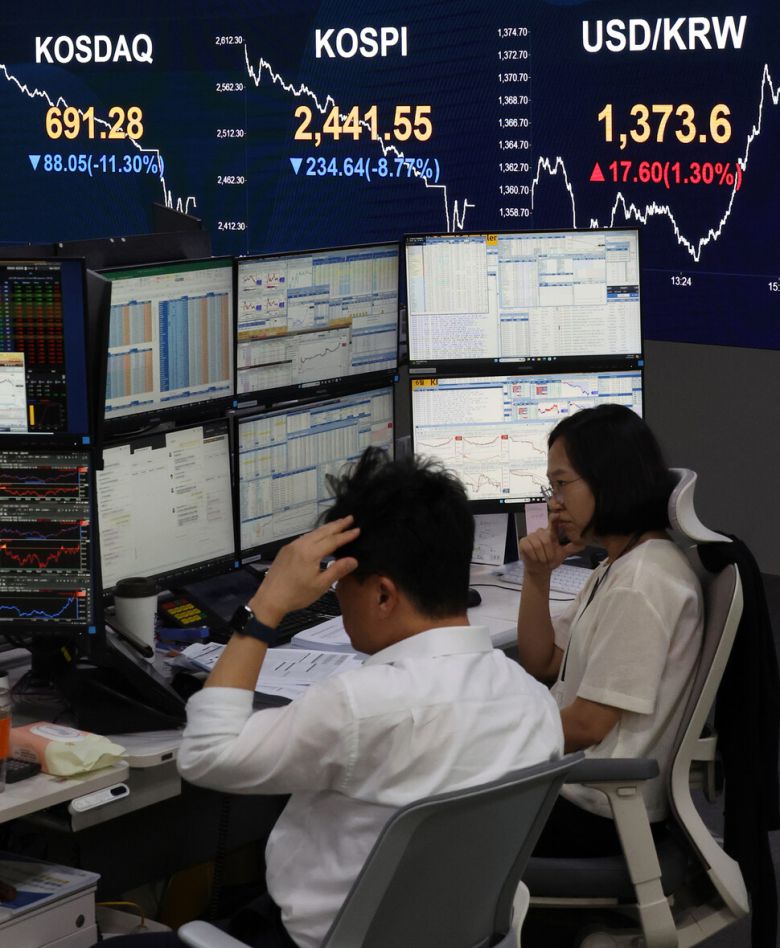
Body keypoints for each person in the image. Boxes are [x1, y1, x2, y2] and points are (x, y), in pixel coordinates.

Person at [105, 447, 563, 948]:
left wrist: (266, 605)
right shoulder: (534, 701)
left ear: (383, 595)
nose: (336, 598)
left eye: (340, 584)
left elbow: (206, 755)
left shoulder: (360, 705)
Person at [516, 404, 703, 857]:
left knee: (439, 819)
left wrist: (499, 743)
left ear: (609, 479)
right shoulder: (619, 566)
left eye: (562, 484)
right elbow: (543, 661)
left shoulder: (641, 583)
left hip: (598, 812)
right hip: (577, 786)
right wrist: (537, 577)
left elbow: (588, 724)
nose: (554, 503)